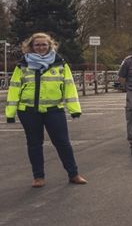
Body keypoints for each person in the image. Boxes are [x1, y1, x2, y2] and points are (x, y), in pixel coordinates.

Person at [5, 33, 87, 188]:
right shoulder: (22, 65)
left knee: (63, 143)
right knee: (34, 144)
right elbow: (14, 89)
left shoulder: (60, 64)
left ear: (50, 46)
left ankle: (74, 174)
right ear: (31, 47)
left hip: (54, 110)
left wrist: (74, 109)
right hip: (28, 112)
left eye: (44, 44)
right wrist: (10, 113)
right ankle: (38, 177)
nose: (41, 47)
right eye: (37, 45)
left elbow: (69, 87)